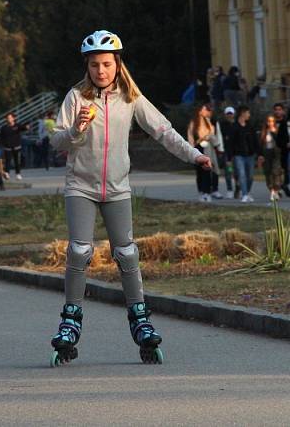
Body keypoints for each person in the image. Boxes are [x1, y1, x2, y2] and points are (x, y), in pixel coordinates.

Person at [48, 30, 211, 366]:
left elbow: (163, 131)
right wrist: (76, 130)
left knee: (126, 252)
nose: (101, 71)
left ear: (117, 64)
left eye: (106, 64)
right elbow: (56, 142)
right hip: (80, 186)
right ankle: (70, 322)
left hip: (118, 189)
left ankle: (141, 320)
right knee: (80, 250)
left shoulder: (130, 98)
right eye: (94, 65)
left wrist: (194, 156)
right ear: (88, 67)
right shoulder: (76, 98)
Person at [187, 103, 220, 202]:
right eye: (205, 109)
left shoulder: (209, 123)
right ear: (200, 111)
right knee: (199, 172)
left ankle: (207, 192)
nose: (207, 112)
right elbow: (190, 136)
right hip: (197, 149)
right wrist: (191, 150)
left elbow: (213, 135)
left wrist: (211, 138)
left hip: (207, 149)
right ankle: (201, 191)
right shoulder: (194, 123)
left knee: (207, 170)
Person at [228, 105, 260, 203]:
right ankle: (245, 194)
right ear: (242, 113)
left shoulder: (250, 126)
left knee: (250, 176)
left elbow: (255, 141)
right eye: (248, 113)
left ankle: (247, 191)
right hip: (239, 155)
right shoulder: (234, 127)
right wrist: (229, 158)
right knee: (242, 174)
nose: (249, 115)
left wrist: (259, 154)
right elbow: (230, 143)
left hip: (250, 155)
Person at [260, 114, 283, 201]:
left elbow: (280, 141)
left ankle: (276, 189)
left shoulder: (277, 131)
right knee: (268, 172)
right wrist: (260, 155)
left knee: (276, 171)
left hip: (276, 153)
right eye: (269, 121)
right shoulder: (264, 131)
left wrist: (274, 132)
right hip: (267, 153)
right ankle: (272, 191)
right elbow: (261, 144)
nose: (271, 123)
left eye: (272, 121)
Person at [0, 112, 26, 180]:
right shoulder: (4, 128)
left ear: (13, 118)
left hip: (17, 147)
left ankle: (18, 174)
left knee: (17, 161)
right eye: (7, 118)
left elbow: (23, 128)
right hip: (8, 147)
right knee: (8, 161)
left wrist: (26, 127)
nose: (8, 119)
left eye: (10, 118)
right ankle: (7, 173)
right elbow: (1, 137)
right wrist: (0, 145)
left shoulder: (17, 126)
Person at [219, 106, 238, 198]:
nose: (229, 116)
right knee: (229, 172)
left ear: (234, 114)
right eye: (228, 114)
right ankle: (230, 189)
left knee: (238, 172)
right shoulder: (222, 125)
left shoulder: (237, 124)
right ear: (225, 115)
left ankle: (238, 188)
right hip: (227, 153)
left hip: (237, 152)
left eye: (231, 114)